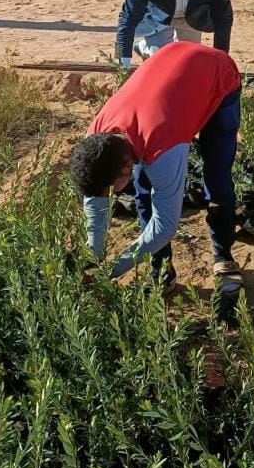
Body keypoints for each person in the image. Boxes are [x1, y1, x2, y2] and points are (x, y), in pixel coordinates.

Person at [69, 42, 243, 291]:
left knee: (216, 176)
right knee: (142, 189)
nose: (111, 195)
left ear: (125, 166)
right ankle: (162, 268)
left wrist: (113, 270)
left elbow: (166, 225)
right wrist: (92, 259)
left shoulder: (163, 149)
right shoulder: (96, 137)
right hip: (169, 71)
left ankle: (223, 255)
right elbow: (95, 203)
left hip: (216, 74)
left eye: (112, 190)